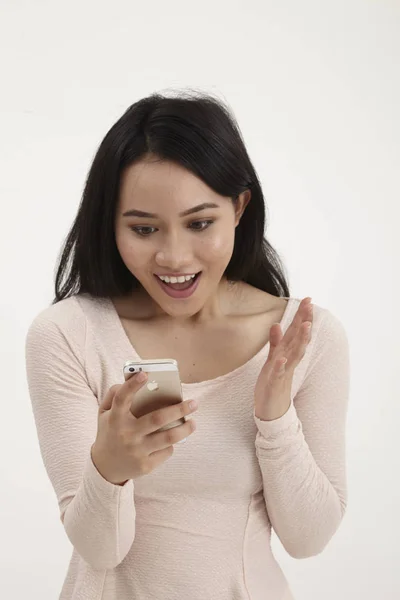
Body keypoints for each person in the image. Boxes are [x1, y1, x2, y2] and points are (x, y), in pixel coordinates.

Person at [25, 90, 350, 600]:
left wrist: (274, 419)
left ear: (239, 208)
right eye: (143, 228)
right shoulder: (68, 335)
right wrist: (109, 468)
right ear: (110, 224)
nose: (173, 257)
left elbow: (309, 538)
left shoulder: (304, 339)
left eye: (200, 223)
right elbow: (101, 551)